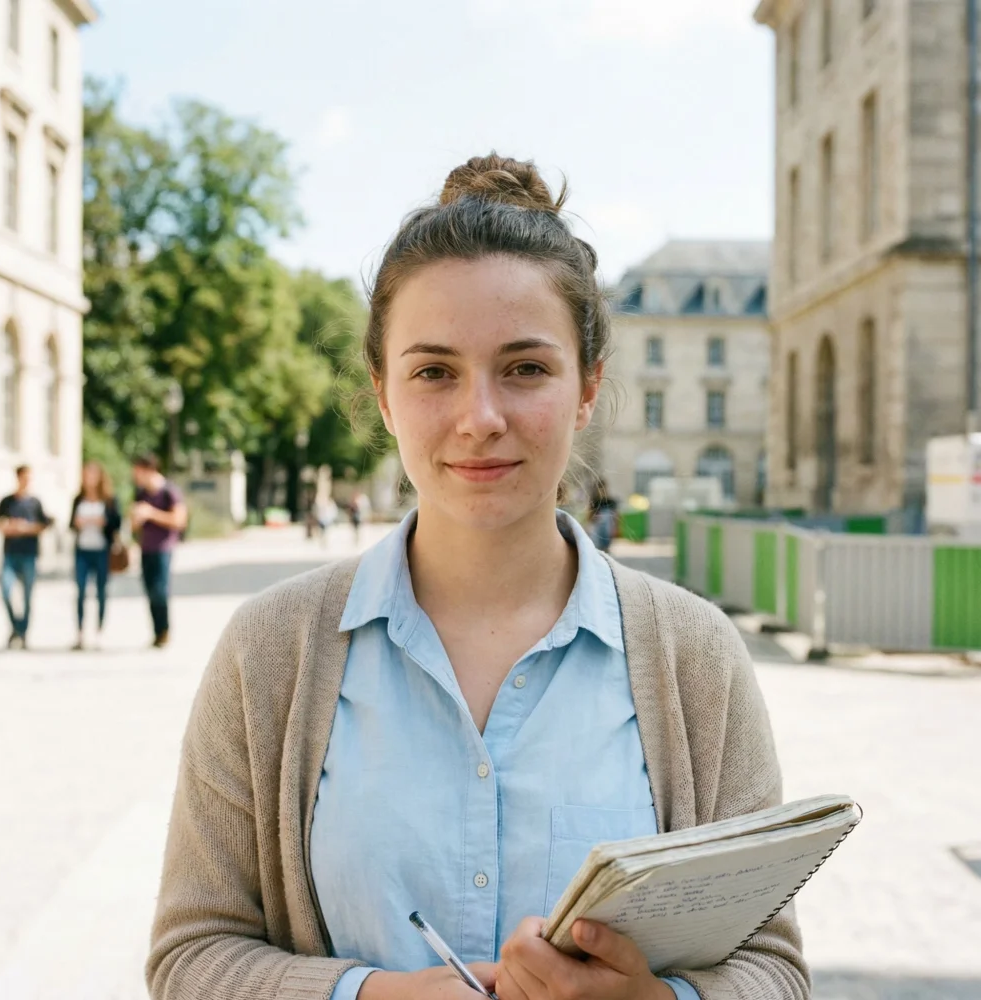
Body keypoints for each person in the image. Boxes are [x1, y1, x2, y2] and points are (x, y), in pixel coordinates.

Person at [147, 155, 809, 1000]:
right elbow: (191, 956)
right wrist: (377, 995)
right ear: (384, 396)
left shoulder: (694, 657)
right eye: (434, 372)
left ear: (588, 390)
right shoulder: (273, 649)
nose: (480, 418)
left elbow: (773, 970)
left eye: (526, 368)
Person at [131, 454, 187, 649]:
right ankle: (156, 633)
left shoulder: (169, 491)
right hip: (145, 548)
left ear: (149, 470)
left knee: (160, 591)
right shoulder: (140, 494)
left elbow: (179, 521)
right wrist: (136, 519)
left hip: (164, 548)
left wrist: (151, 513)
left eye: (138, 472)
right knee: (149, 590)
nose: (135, 476)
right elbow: (134, 526)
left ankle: (164, 631)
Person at [0, 465, 53, 650]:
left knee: (27, 596)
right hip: (10, 553)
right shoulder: (7, 502)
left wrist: (25, 528)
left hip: (29, 553)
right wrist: (11, 526)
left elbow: (43, 524)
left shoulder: (35, 502)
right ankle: (16, 627)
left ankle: (23, 632)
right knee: (6, 591)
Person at [69, 461, 122, 650]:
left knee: (101, 591)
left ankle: (100, 631)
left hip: (101, 551)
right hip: (82, 550)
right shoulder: (78, 499)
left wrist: (103, 522)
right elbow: (70, 524)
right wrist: (77, 523)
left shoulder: (108, 500)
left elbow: (117, 523)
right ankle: (80, 633)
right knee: (81, 591)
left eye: (92, 475)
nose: (89, 479)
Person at [587, 478, 619, 553]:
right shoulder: (595, 501)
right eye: (600, 488)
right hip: (597, 529)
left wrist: (616, 528)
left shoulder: (611, 501)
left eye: (603, 488)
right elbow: (589, 517)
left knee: (606, 546)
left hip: (608, 529)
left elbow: (616, 515)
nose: (602, 490)